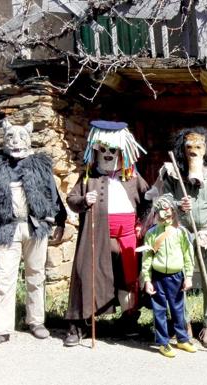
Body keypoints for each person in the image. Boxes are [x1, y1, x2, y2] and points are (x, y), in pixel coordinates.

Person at [0, 119, 66, 350]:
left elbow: (52, 193)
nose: (16, 143)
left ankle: (36, 321)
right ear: (5, 139)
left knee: (36, 275)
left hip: (35, 227)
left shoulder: (39, 165)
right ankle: (0, 329)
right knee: (3, 278)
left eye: (21, 138)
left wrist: (59, 220)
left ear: (29, 139)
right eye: (11, 138)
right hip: (5, 228)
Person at [147, 127, 207, 348]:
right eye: (189, 147)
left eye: (199, 146)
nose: (194, 151)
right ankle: (182, 325)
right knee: (180, 280)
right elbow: (162, 200)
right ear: (182, 149)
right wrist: (177, 204)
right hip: (180, 233)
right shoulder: (173, 172)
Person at [64, 120, 150, 346]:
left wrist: (142, 222)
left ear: (122, 152)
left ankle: (129, 320)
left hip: (127, 237)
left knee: (128, 279)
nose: (108, 154)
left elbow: (149, 200)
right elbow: (71, 199)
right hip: (96, 234)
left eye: (113, 150)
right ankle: (79, 324)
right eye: (103, 150)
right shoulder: (88, 176)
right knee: (87, 273)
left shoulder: (132, 177)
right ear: (96, 150)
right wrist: (84, 200)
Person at [140, 194, 197, 358]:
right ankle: (163, 342)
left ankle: (182, 339)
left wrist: (188, 276)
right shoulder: (151, 233)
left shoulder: (181, 233)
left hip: (176, 276)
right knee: (159, 310)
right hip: (158, 277)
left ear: (173, 212)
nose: (166, 216)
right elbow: (147, 258)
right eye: (161, 213)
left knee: (178, 309)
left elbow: (188, 256)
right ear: (156, 214)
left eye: (169, 212)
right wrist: (147, 279)